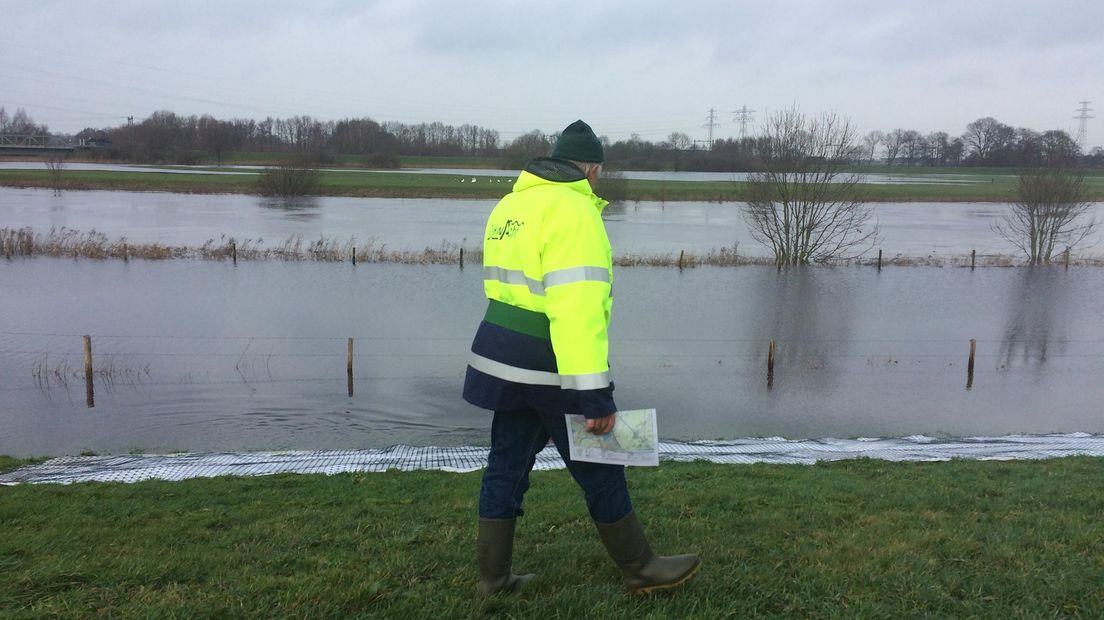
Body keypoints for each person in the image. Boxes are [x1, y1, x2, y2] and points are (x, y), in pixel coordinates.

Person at [463, 120, 701, 595]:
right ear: (592, 168)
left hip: (498, 355)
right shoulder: (575, 212)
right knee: (600, 464)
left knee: (506, 463)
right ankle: (641, 568)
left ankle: (493, 578)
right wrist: (595, 397)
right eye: (599, 171)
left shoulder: (510, 205)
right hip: (548, 363)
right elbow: (576, 310)